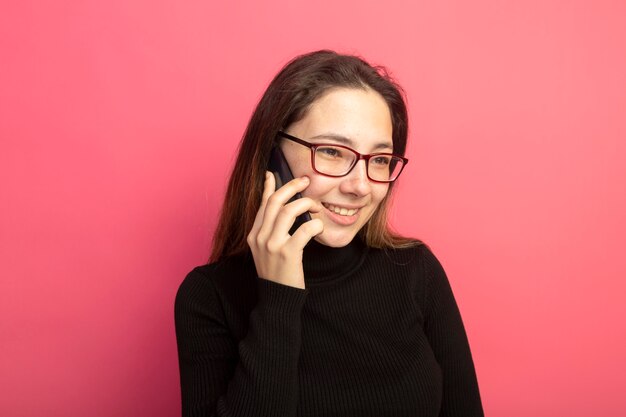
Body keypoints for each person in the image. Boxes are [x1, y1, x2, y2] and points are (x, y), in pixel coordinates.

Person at [174, 50, 484, 417]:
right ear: (273, 156)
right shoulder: (209, 297)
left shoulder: (416, 271)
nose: (361, 187)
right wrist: (279, 296)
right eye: (334, 152)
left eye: (380, 160)